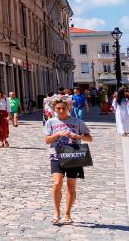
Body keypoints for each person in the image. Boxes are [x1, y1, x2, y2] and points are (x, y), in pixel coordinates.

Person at [44, 96, 93, 226]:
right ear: (54, 109)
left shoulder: (77, 122)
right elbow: (47, 140)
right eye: (57, 108)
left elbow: (89, 138)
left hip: (74, 156)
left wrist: (78, 136)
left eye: (63, 108)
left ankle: (67, 214)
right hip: (56, 156)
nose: (60, 111)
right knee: (57, 183)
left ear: (68, 108)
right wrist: (58, 134)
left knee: (71, 186)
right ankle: (56, 212)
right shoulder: (50, 122)